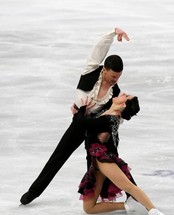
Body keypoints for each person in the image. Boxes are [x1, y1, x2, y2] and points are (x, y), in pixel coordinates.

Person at [20, 28, 130, 205]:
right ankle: (34, 192)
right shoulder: (91, 72)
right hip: (79, 123)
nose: (114, 80)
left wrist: (107, 132)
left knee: (102, 162)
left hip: (97, 127)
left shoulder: (114, 91)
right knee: (58, 156)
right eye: (112, 76)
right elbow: (98, 49)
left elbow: (116, 115)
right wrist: (112, 32)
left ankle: (109, 196)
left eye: (118, 77)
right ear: (105, 70)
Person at [73, 94, 172, 215]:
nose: (122, 94)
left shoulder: (110, 119)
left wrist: (80, 111)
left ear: (123, 105)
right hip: (96, 162)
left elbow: (82, 124)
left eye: (125, 96)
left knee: (128, 186)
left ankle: (156, 213)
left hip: (103, 157)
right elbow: (87, 124)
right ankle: (127, 205)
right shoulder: (107, 114)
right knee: (88, 208)